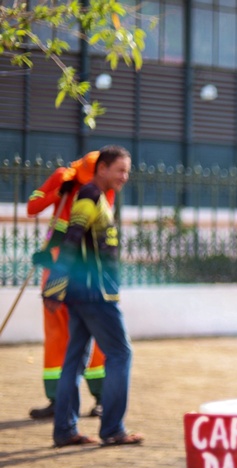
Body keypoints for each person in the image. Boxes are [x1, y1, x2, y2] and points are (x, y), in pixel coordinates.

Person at [42, 145, 143, 448]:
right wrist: (54, 286)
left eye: (127, 171)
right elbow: (71, 239)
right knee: (120, 354)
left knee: (74, 360)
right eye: (120, 170)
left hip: (82, 292)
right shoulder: (90, 196)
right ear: (102, 168)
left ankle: (65, 431)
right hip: (95, 293)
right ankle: (112, 429)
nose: (125, 176)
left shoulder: (98, 198)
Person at [27, 152, 111, 420]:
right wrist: (57, 192)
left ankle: (103, 397)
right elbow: (32, 207)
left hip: (83, 268)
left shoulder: (105, 189)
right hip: (54, 265)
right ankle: (56, 399)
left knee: (95, 334)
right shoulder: (62, 177)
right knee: (56, 334)